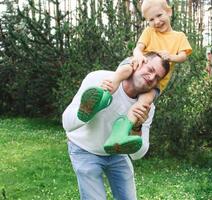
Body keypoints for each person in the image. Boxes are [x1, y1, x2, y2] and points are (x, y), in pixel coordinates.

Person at [77, 0, 192, 154]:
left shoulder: (179, 36)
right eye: (151, 19)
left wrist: (171, 56)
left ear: (169, 12)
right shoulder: (149, 32)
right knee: (123, 72)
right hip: (139, 66)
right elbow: (138, 48)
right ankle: (101, 99)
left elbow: (183, 56)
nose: (156, 22)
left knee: (143, 104)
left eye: (159, 15)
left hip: (157, 83)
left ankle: (121, 133)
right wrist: (137, 56)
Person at [62, 52, 170, 200]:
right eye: (150, 70)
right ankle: (96, 105)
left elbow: (137, 155)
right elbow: (67, 124)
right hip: (84, 148)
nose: (152, 78)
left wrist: (137, 127)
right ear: (138, 63)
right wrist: (88, 110)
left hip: (116, 153)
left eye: (157, 77)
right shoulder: (98, 78)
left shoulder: (146, 107)